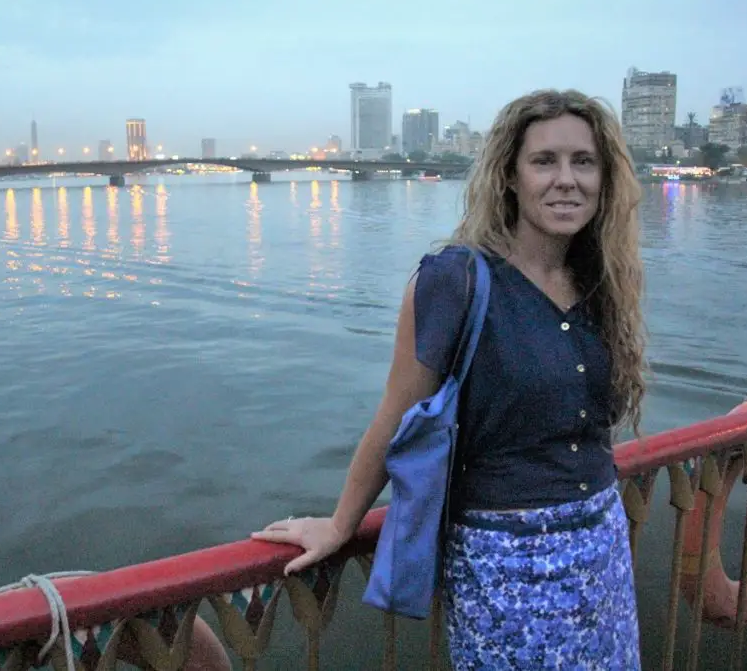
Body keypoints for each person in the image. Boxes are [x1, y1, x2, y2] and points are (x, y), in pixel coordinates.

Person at [251, 89, 647, 669]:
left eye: (583, 162)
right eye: (545, 161)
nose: (567, 179)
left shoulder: (601, 281)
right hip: (503, 562)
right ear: (510, 176)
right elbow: (397, 413)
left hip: (602, 545)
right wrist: (342, 524)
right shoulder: (455, 280)